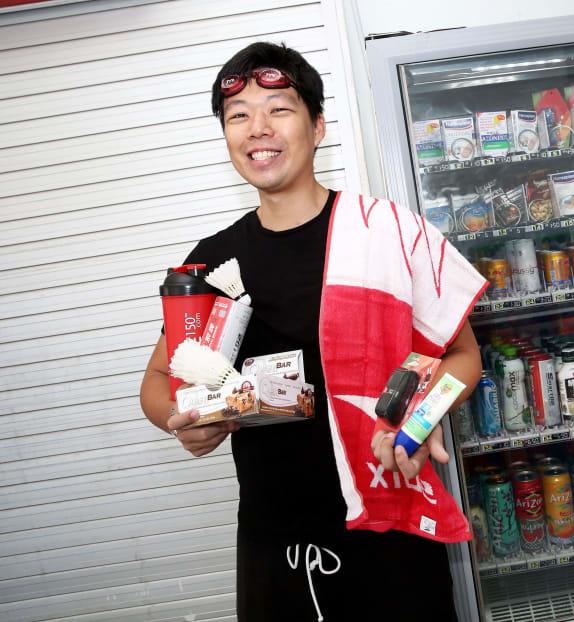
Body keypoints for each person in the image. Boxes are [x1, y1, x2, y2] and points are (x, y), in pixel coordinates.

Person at [139, 42, 486, 622]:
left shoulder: (386, 233)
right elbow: (157, 379)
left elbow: (465, 357)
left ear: (318, 125)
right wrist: (181, 421)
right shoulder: (213, 263)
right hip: (278, 538)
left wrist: (418, 419)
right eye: (238, 115)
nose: (258, 129)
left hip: (389, 514)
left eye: (278, 108)